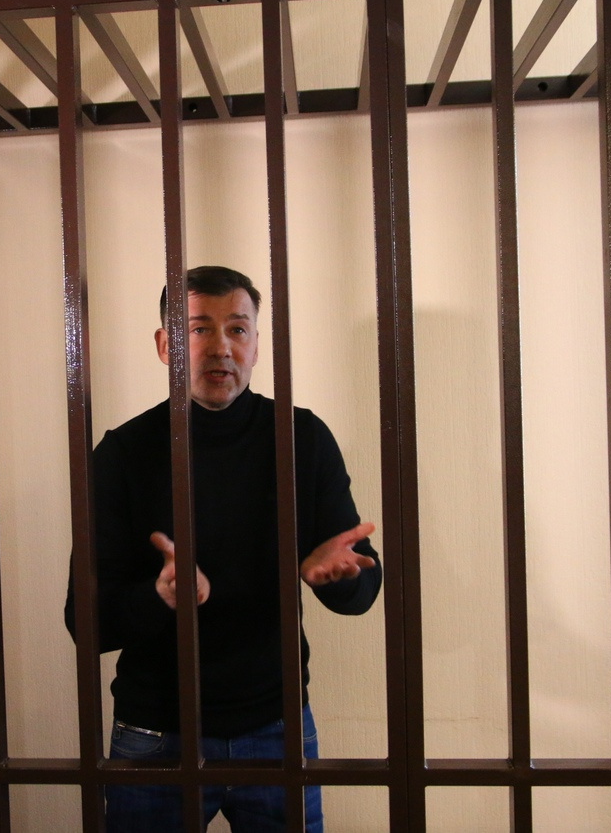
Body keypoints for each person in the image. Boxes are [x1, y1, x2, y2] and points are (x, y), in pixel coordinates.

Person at [64, 266, 381, 832]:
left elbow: (361, 587)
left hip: (277, 726)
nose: (220, 348)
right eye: (197, 329)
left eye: (237, 329)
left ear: (256, 344)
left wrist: (343, 576)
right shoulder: (122, 454)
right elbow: (84, 624)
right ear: (165, 346)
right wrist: (160, 596)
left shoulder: (302, 438)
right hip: (156, 731)